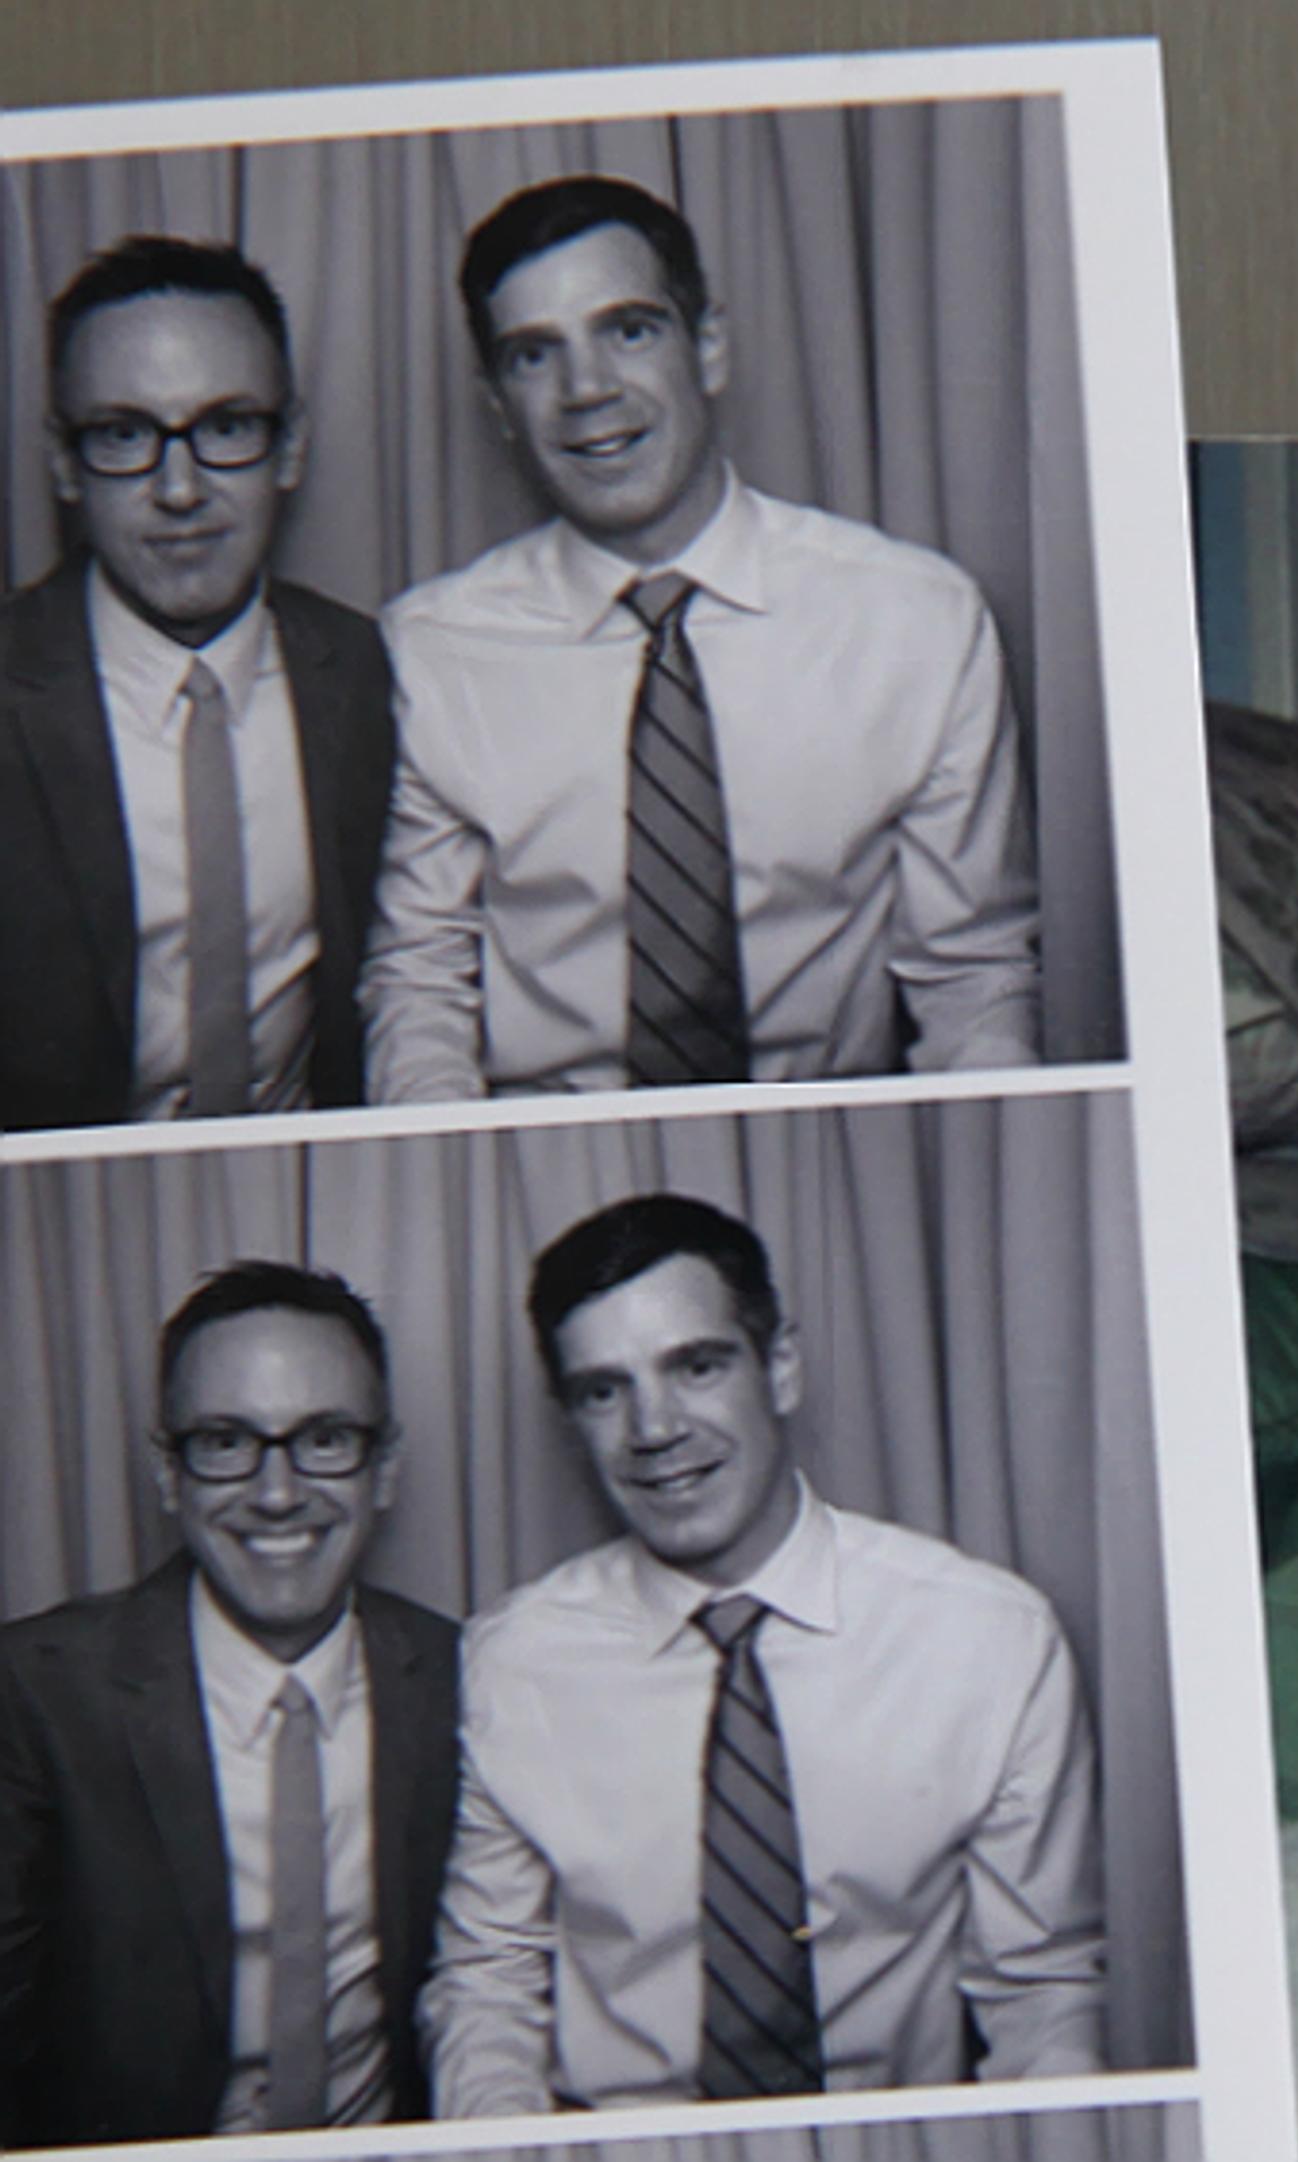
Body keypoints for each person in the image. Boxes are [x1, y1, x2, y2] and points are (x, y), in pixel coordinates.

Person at [361, 174, 1040, 1097]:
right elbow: (419, 984)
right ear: (497, 404)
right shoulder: (430, 651)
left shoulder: (916, 621)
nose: (587, 390)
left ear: (708, 347)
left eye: (629, 331)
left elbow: (973, 979)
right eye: (534, 356)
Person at [426, 1192, 1103, 2114]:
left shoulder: (988, 1638)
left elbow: (1043, 1991)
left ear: (780, 1366)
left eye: (697, 1367)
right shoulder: (515, 1662)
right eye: (603, 1391)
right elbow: (487, 1985)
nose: (655, 1429)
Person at [0, 1264, 460, 2145]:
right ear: (168, 1474)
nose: (277, 1493)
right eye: (224, 1442)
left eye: (326, 1438)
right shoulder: (34, 1694)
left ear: (385, 1469)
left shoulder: (460, 1679)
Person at [0, 239, 397, 1129]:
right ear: (63, 463)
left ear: (289, 446)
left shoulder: (368, 671)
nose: (178, 490)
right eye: (123, 435)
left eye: (225, 428)